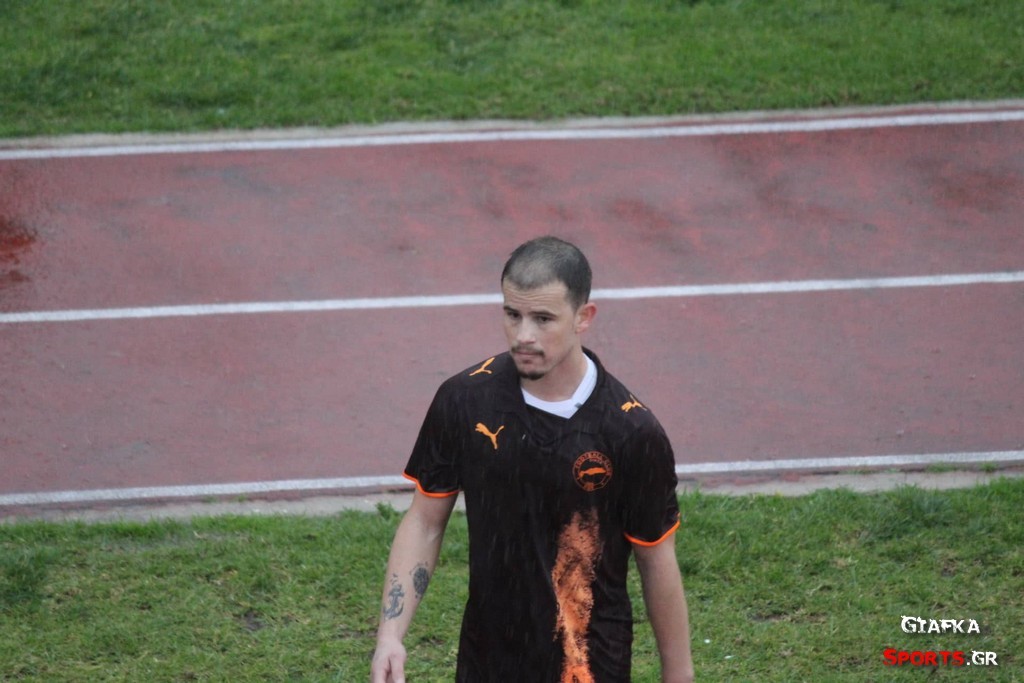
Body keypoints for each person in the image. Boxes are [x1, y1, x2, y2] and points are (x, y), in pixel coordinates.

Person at [370, 236, 694, 683]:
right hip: (487, 663)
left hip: (588, 666)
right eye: (512, 315)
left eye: (543, 319)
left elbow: (656, 561)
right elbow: (425, 522)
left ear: (584, 317)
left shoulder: (631, 432)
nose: (524, 336)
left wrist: (679, 675)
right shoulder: (464, 400)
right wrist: (390, 636)